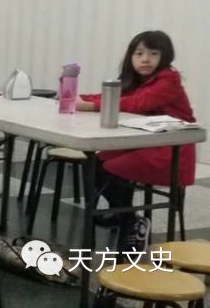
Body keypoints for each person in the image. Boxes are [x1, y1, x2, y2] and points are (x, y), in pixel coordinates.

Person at [75, 31, 196, 252]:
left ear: (165, 56)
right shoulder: (138, 80)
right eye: (139, 54)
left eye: (153, 54)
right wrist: (81, 98)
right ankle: (127, 217)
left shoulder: (168, 80)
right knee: (95, 163)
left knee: (111, 168)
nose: (145, 59)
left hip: (171, 150)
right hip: (144, 143)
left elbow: (138, 103)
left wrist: (90, 105)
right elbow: (115, 96)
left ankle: (127, 219)